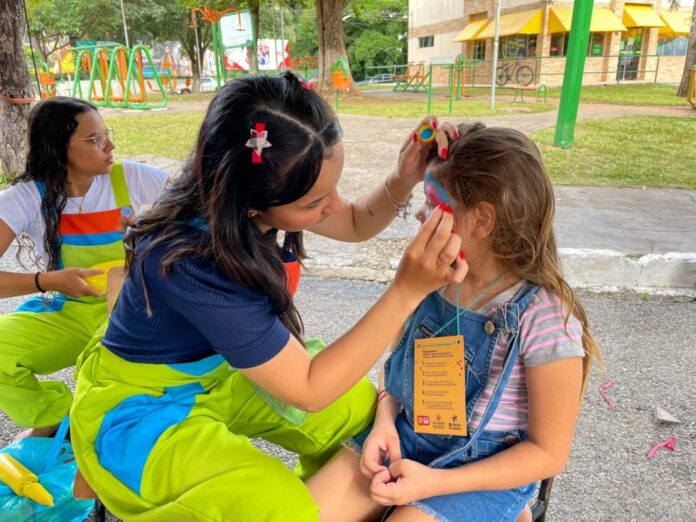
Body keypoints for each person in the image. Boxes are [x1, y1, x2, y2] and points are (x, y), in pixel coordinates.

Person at [69, 72, 466, 520]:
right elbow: (309, 390)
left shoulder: (243, 189)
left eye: (331, 190)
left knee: (356, 408)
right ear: (252, 204)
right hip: (144, 411)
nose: (332, 206)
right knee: (274, 504)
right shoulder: (190, 262)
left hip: (218, 377)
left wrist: (402, 177)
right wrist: (405, 292)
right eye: (315, 203)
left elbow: (354, 222)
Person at [308, 122, 602, 522]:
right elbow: (396, 372)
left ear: (482, 220)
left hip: (483, 477)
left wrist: (432, 484)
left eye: (431, 203)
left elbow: (548, 454)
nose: (418, 214)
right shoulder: (432, 279)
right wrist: (384, 424)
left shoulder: (545, 316)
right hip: (407, 440)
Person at [0, 97, 169, 439]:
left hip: (132, 311)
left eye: (107, 134)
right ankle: (57, 417)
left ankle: (102, 433)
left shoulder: (131, 177)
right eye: (94, 139)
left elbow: (205, 214)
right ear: (58, 148)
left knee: (114, 378)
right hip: (70, 311)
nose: (110, 145)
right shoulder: (26, 197)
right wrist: (46, 281)